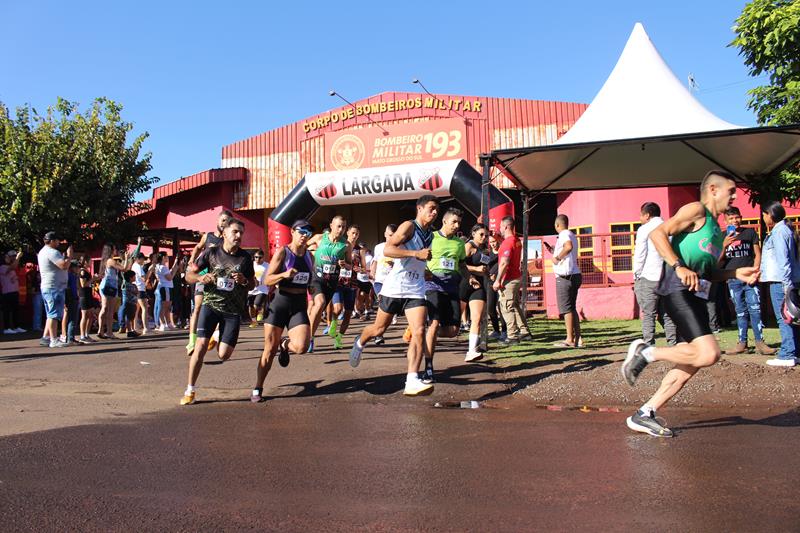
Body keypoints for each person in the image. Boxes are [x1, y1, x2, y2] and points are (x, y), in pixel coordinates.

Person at [621, 170, 760, 437]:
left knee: (693, 362)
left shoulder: (718, 233)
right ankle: (646, 353)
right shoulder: (697, 211)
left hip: (696, 294)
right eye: (730, 190)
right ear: (713, 190)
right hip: (676, 289)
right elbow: (658, 234)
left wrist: (733, 273)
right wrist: (679, 266)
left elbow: (707, 273)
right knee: (709, 354)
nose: (734, 195)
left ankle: (645, 412)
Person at [349, 195, 438, 396]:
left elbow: (417, 260)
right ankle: (360, 341)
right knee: (379, 329)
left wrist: (424, 270)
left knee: (419, 330)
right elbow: (389, 249)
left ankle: (412, 379)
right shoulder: (409, 226)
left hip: (415, 288)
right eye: (431, 208)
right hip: (394, 287)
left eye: (436, 210)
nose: (434, 213)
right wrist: (415, 254)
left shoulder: (430, 235)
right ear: (420, 208)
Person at [181, 218, 255, 405]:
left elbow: (253, 283)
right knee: (200, 348)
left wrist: (244, 281)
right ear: (224, 234)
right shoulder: (211, 253)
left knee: (224, 355)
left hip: (232, 311)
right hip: (211, 305)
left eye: (241, 233)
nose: (239, 236)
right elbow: (189, 276)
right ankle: (190, 390)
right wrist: (201, 277)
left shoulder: (245, 258)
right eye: (235, 232)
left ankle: (216, 336)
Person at [251, 220, 314, 402]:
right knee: (269, 350)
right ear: (293, 232)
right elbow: (267, 280)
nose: (304, 235)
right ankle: (258, 387)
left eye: (308, 233)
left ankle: (285, 345)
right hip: (280, 303)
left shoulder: (310, 257)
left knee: (302, 347)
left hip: (299, 304)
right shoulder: (283, 252)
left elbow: (310, 283)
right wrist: (284, 275)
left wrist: (314, 297)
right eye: (301, 231)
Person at [421, 208, 469, 381]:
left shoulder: (459, 244)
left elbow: (462, 264)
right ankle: (428, 368)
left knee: (453, 331)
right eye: (454, 222)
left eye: (459, 223)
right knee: (434, 324)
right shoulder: (430, 237)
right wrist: (424, 269)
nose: (457, 226)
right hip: (432, 285)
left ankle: (422, 335)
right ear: (444, 222)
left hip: (451, 288)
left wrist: (469, 279)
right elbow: (419, 257)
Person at [721, 206, 774, 355]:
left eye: (736, 217)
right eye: (731, 218)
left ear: (741, 217)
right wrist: (724, 244)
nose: (735, 221)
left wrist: (755, 272)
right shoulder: (722, 236)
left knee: (755, 308)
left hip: (751, 278)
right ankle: (742, 343)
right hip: (733, 279)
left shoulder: (750, 233)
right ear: (725, 221)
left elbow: (758, 254)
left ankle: (760, 342)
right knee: (740, 311)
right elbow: (718, 262)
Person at [186, 209, 232, 354]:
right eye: (223, 220)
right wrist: (192, 259)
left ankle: (214, 336)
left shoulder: (227, 240)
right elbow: (198, 247)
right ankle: (192, 342)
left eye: (228, 221)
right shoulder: (208, 236)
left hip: (218, 278)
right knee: (198, 307)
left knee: (219, 307)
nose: (225, 223)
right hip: (203, 275)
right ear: (218, 221)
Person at [759, 201, 800, 367]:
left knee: (784, 317)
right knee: (792, 316)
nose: (762, 218)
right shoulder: (785, 229)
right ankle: (795, 352)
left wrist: (785, 285)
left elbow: (783, 260)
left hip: (780, 281)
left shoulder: (779, 232)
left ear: (770, 214)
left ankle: (787, 354)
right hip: (787, 280)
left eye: (763, 214)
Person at [633, 202, 677, 347]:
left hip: (649, 276)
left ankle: (649, 345)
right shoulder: (669, 226)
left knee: (648, 314)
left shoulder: (644, 229)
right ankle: (673, 343)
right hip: (667, 276)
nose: (640, 218)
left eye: (641, 215)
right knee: (667, 313)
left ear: (647, 215)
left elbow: (640, 254)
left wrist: (636, 274)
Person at [306, 216, 352, 351]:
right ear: (331, 225)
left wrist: (344, 264)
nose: (341, 229)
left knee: (319, 309)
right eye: (338, 226)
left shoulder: (346, 245)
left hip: (331, 282)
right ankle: (308, 337)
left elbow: (350, 265)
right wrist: (311, 252)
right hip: (316, 278)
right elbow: (302, 247)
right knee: (319, 303)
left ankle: (310, 336)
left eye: (343, 227)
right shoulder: (319, 238)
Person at [494, 216, 532, 345]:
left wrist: (498, 280)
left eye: (500, 226)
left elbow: (504, 262)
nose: (499, 229)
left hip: (509, 279)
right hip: (516, 276)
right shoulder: (516, 240)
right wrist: (499, 239)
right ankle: (524, 331)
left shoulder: (507, 243)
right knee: (514, 305)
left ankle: (512, 336)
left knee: (506, 306)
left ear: (505, 226)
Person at [461, 223, 493, 360]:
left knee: (477, 318)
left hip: (478, 286)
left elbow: (484, 267)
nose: (484, 237)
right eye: (481, 234)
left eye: (486, 235)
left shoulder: (485, 249)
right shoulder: (469, 246)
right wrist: (476, 270)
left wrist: (488, 274)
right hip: (464, 283)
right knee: (451, 325)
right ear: (473, 233)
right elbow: (459, 264)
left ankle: (471, 351)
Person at [329, 225, 364, 349]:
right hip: (339, 281)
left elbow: (363, 268)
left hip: (352, 284)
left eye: (357, 234)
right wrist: (338, 263)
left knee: (348, 313)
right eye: (353, 233)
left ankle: (339, 338)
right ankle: (333, 322)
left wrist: (360, 269)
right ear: (347, 233)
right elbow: (329, 260)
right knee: (338, 309)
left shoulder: (360, 250)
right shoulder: (340, 245)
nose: (354, 236)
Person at [98, 239, 140, 339]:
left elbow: (125, 268)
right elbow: (124, 269)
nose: (116, 250)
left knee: (105, 308)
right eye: (114, 248)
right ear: (111, 250)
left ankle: (101, 330)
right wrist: (126, 258)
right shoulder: (111, 260)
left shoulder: (105, 260)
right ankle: (108, 332)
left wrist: (127, 260)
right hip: (110, 286)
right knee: (109, 310)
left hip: (106, 285)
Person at [37, 232, 73, 348]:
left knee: (50, 313)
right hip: (54, 287)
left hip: (48, 286)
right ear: (52, 241)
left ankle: (46, 337)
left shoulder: (42, 252)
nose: (59, 242)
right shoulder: (52, 252)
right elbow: (63, 266)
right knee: (54, 314)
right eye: (57, 240)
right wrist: (69, 256)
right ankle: (53, 340)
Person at [369, 224, 397, 346]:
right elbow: (375, 261)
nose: (391, 238)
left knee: (387, 310)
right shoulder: (379, 247)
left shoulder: (399, 248)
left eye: (394, 236)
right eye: (390, 235)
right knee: (382, 301)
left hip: (393, 283)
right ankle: (378, 335)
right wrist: (372, 273)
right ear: (385, 234)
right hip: (380, 281)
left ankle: (379, 331)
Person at [153, 251, 181, 331]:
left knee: (167, 307)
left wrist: (175, 264)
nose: (167, 258)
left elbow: (169, 273)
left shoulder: (160, 266)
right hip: (165, 287)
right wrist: (174, 271)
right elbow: (170, 277)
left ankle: (168, 323)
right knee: (164, 307)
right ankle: (162, 324)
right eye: (166, 256)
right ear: (163, 257)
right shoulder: (162, 267)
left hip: (166, 287)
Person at [486, 232, 505, 340]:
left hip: (501, 283)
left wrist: (498, 276)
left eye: (494, 241)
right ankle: (496, 330)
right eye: (491, 242)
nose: (493, 244)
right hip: (490, 283)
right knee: (490, 308)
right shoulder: (488, 254)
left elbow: (504, 264)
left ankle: (504, 330)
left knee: (501, 307)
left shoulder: (502, 252)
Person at [1, 250, 24, 334]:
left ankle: (16, 326)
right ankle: (6, 328)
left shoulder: (10, 266)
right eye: (8, 257)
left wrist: (17, 259)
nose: (10, 259)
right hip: (6, 292)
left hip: (14, 291)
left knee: (16, 310)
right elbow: (13, 267)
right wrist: (17, 258)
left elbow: (14, 266)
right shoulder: (2, 267)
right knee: (7, 310)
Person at [77, 260, 99, 344]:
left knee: (90, 316)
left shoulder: (86, 271)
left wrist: (94, 279)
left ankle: (86, 334)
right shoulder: (82, 271)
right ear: (85, 262)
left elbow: (89, 283)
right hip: (84, 295)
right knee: (85, 315)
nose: (91, 262)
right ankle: (82, 336)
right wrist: (92, 279)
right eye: (90, 261)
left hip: (89, 295)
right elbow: (83, 284)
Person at [247, 249, 269, 328]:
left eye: (260, 257)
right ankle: (254, 321)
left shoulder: (267, 266)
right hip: (251, 289)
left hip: (262, 289)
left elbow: (270, 276)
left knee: (256, 305)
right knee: (250, 306)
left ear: (263, 258)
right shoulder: (251, 264)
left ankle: (260, 310)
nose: (257, 259)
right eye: (256, 257)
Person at [61, 261, 80, 344]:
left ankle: (70, 337)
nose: (78, 269)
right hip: (71, 298)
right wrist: (65, 301)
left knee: (73, 318)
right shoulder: (69, 276)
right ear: (72, 268)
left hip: (73, 298)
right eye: (76, 267)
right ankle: (70, 338)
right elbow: (68, 288)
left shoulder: (73, 276)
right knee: (72, 319)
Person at [131, 253, 150, 334]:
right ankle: (146, 328)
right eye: (142, 259)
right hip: (140, 289)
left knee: (137, 309)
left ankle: (135, 326)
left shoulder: (134, 266)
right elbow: (144, 278)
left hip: (136, 288)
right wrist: (150, 270)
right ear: (138, 259)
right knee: (144, 308)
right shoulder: (138, 267)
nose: (143, 261)